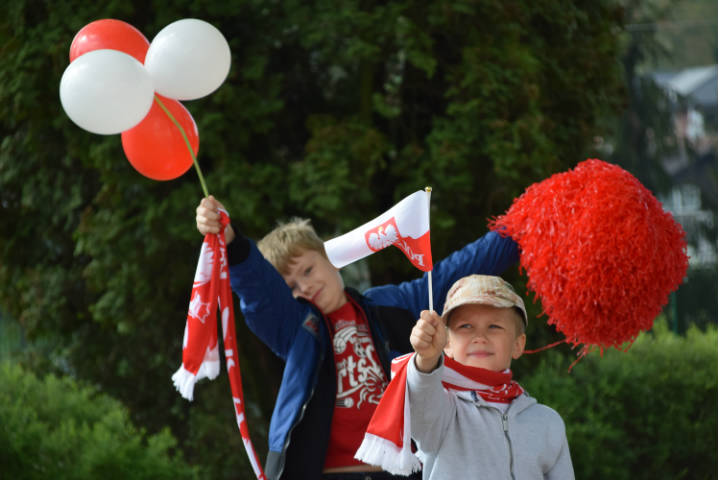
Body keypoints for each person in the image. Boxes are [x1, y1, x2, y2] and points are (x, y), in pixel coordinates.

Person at [195, 196, 520, 480]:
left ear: (329, 261)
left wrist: (521, 227)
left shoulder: (389, 304)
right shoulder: (296, 329)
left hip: (405, 471)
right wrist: (232, 243)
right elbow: (260, 294)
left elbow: (455, 271)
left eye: (308, 271)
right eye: (291, 287)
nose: (304, 287)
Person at [408, 274, 574, 479]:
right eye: (465, 326)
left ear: (518, 344)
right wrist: (426, 360)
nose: (480, 337)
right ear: (447, 344)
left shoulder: (548, 422)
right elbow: (418, 406)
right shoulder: (441, 409)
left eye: (494, 326)